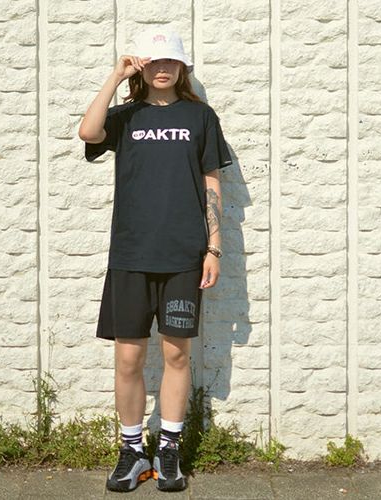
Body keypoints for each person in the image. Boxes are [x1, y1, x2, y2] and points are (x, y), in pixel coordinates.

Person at [78, 26, 232, 493]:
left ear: (182, 68)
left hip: (184, 255)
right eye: (154, 62)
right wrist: (116, 76)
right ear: (142, 68)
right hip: (131, 254)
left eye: (171, 62)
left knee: (176, 354)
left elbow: (211, 181)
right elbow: (88, 132)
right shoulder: (126, 115)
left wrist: (213, 248)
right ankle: (131, 452)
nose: (163, 69)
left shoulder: (200, 116)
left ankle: (168, 450)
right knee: (128, 358)